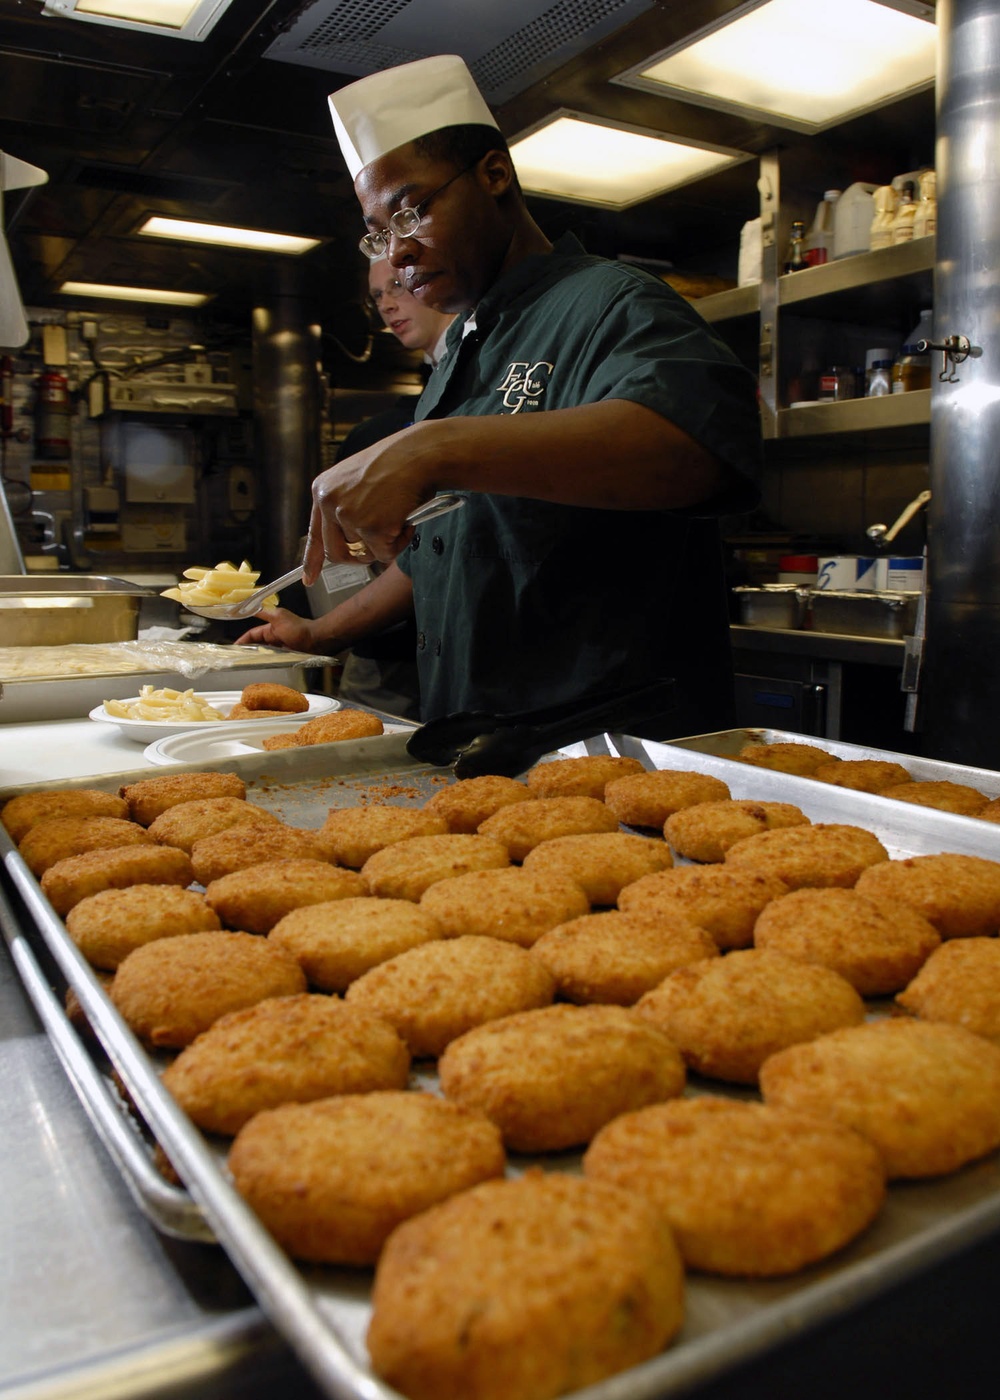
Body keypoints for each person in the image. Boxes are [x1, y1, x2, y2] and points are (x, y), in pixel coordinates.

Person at [238, 54, 763, 737]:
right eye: (380, 232)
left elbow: (696, 451)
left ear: (493, 175)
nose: (397, 254)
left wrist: (433, 447)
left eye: (411, 213)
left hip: (603, 745)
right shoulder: (463, 350)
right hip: (474, 737)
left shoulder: (610, 301)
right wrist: (322, 634)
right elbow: (443, 554)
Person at [321, 257, 455, 717]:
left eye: (398, 285)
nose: (387, 305)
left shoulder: (473, 403)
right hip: (390, 646)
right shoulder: (378, 432)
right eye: (378, 295)